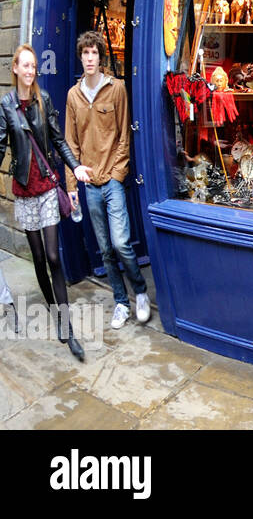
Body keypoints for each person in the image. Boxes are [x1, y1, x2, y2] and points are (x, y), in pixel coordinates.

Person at [0, 44, 92, 360]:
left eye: (33, 66)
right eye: (25, 65)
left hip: (47, 187)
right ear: (15, 69)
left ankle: (66, 329)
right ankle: (53, 310)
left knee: (53, 256)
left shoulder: (44, 99)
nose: (30, 71)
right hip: (24, 191)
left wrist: (75, 165)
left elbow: (57, 139)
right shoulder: (6, 105)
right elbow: (1, 147)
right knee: (38, 258)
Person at [65, 30, 150, 329]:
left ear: (101, 57)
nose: (89, 58)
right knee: (104, 249)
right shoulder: (73, 95)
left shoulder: (116, 89)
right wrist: (73, 186)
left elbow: (124, 136)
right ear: (81, 57)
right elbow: (70, 143)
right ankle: (120, 302)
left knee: (121, 243)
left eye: (94, 53)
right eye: (85, 53)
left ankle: (139, 290)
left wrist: (117, 174)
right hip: (89, 183)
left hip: (112, 179)